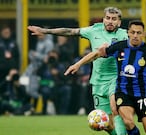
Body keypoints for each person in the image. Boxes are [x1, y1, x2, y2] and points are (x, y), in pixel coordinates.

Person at [64, 20, 146, 135]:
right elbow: (97, 54)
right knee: (128, 122)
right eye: (132, 32)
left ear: (143, 34)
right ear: (128, 32)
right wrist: (78, 64)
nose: (135, 35)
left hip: (142, 94)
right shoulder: (118, 46)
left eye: (138, 33)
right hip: (123, 92)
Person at [28, 7, 127, 135]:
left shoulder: (125, 35)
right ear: (103, 19)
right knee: (107, 124)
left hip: (117, 78)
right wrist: (44, 31)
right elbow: (69, 31)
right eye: (107, 18)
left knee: (115, 109)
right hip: (98, 81)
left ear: (119, 22)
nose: (110, 21)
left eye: (114, 19)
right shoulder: (94, 30)